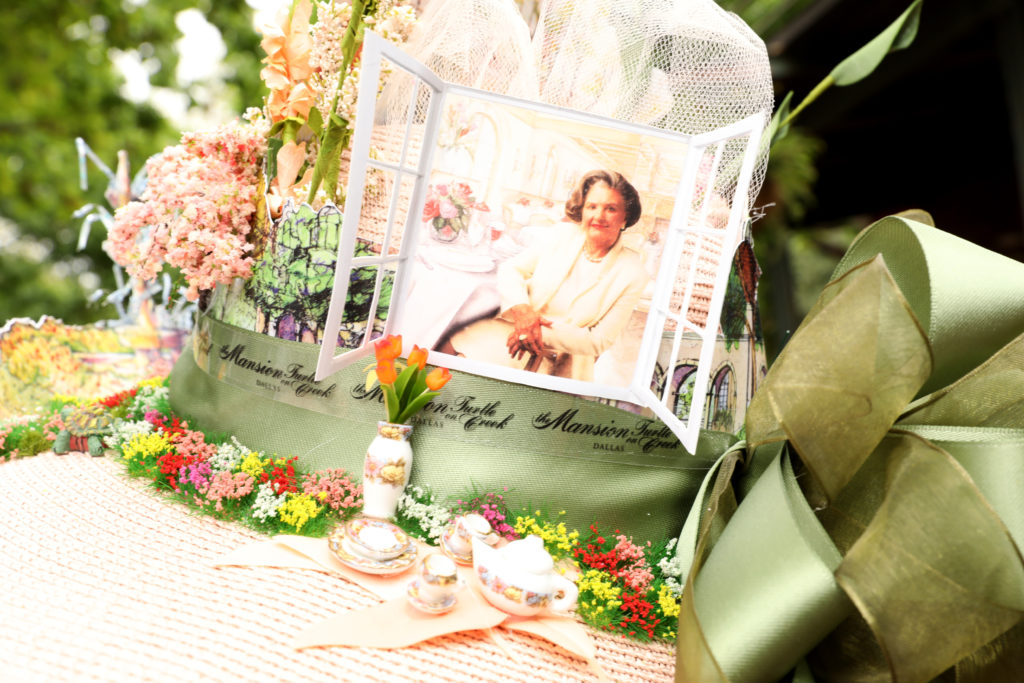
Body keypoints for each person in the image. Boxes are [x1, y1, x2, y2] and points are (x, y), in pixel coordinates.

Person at [446, 170, 649, 382]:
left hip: (558, 358)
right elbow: (512, 269)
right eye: (592, 207)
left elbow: (600, 340)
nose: (598, 216)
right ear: (583, 210)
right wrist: (523, 311)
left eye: (611, 209)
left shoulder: (633, 273)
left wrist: (533, 332)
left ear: (625, 217)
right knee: (450, 349)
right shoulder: (561, 234)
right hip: (510, 330)